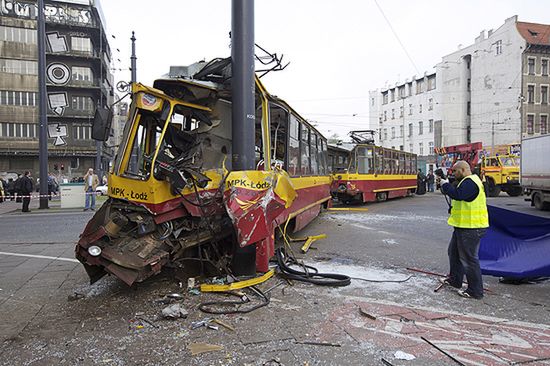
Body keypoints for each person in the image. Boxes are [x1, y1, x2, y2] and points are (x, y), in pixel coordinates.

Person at [437, 160, 489, 299]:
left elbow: (458, 194)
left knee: (469, 259)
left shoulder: (471, 182)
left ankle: (475, 291)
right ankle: (455, 280)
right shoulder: (466, 181)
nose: (453, 173)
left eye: (455, 171)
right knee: (453, 252)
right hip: (463, 226)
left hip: (472, 228)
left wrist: (445, 185)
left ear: (464, 170)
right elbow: (459, 197)